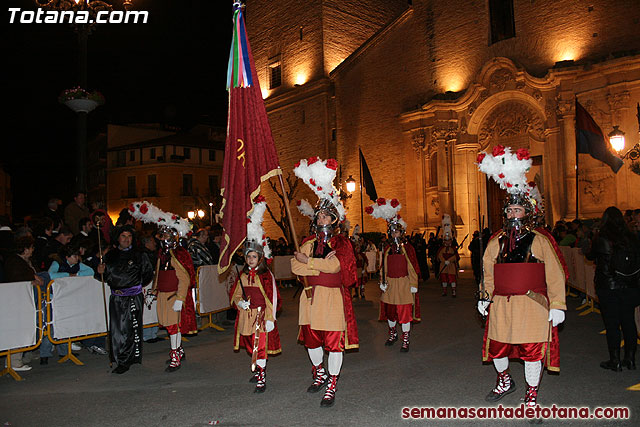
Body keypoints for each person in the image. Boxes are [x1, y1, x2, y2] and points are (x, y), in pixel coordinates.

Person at [477, 145, 567, 408]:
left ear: (527, 212)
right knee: (497, 348)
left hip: (532, 304)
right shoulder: (496, 240)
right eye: (509, 211)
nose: (512, 214)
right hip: (502, 304)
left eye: (517, 210)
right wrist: (484, 296)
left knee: (531, 351)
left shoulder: (540, 240)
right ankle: (505, 380)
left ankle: (531, 395)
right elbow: (487, 270)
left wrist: (558, 304)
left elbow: (555, 272)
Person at [291, 157, 358, 407]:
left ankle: (332, 382)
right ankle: (318, 372)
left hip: (331, 298)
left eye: (326, 217)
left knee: (333, 342)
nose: (321, 220)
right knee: (311, 341)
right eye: (319, 217)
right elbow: (295, 266)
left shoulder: (341, 243)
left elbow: (335, 266)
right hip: (309, 298)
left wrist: (309, 262)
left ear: (334, 220)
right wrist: (307, 261)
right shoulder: (308, 242)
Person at [128, 201, 197, 372]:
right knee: (169, 326)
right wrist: (153, 292)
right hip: (163, 296)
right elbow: (158, 275)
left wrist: (181, 298)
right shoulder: (162, 255)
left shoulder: (179, 254)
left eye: (166, 236)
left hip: (174, 296)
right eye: (162, 237)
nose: (163, 240)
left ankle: (175, 356)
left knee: (173, 327)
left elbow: (185, 279)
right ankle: (179, 350)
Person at [229, 196, 281, 392]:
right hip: (246, 316)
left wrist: (270, 317)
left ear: (260, 258)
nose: (250, 260)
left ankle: (261, 375)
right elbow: (235, 294)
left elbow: (273, 298)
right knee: (250, 345)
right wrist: (239, 303)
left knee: (260, 347)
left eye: (254, 257)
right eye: (248, 256)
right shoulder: (242, 275)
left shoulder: (266, 276)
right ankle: (259, 370)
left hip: (260, 316)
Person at [96, 225, 154, 374]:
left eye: (129, 236)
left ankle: (128, 359)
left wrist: (135, 285)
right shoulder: (110, 255)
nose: (126, 239)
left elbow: (147, 273)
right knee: (117, 330)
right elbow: (104, 276)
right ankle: (120, 357)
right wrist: (100, 271)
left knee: (130, 329)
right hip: (116, 298)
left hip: (133, 297)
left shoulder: (139, 255)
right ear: (118, 238)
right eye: (123, 236)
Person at [588, 206, 640, 371]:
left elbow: (590, 256)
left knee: (612, 324)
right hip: (630, 285)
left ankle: (615, 360)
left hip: (608, 285)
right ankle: (630, 359)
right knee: (628, 321)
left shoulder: (601, 237)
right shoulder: (632, 237)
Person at [366, 198, 421, 351]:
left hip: (403, 284)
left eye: (396, 231)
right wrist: (382, 281)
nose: (394, 233)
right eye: (392, 231)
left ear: (401, 232)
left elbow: (413, 267)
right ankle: (392, 334)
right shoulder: (388, 248)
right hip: (390, 284)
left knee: (404, 314)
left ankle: (405, 339)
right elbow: (383, 266)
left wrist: (413, 284)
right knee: (390, 312)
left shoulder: (407, 248)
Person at [2, 236, 44, 371]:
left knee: (22, 328)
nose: (32, 251)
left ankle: (16, 359)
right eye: (31, 248)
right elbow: (17, 280)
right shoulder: (15, 262)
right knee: (18, 329)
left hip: (23, 300)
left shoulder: (24, 261)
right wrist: (32, 280)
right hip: (17, 300)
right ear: (25, 249)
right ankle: (14, 361)